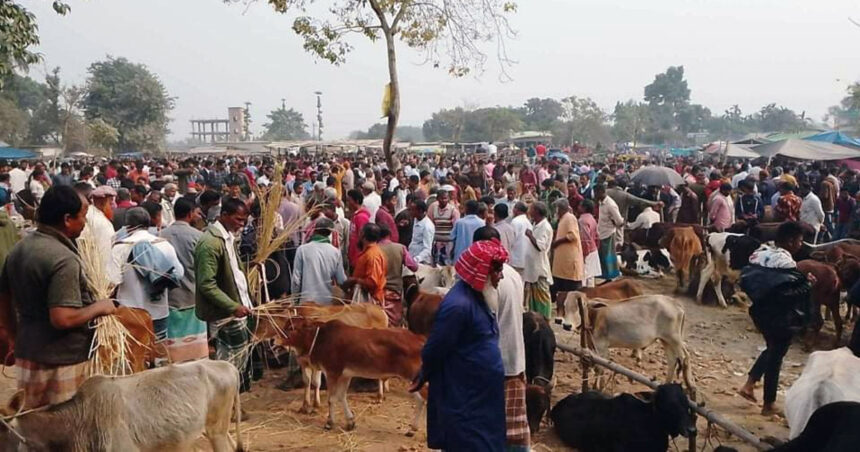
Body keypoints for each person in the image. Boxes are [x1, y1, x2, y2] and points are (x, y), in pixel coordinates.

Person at [0, 185, 116, 409]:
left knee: (34, 425)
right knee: (65, 432)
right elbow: (62, 318)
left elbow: (3, 299)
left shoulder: (20, 248)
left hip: (28, 355)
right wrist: (100, 307)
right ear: (67, 219)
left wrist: (15, 337)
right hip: (61, 361)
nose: (85, 223)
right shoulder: (63, 259)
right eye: (82, 216)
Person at [412, 239, 508, 451]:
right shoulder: (458, 306)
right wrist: (424, 373)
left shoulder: (478, 297)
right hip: (464, 399)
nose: (500, 275)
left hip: (480, 397)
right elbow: (435, 348)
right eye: (497, 269)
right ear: (481, 271)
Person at [738, 222, 814, 416]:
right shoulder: (787, 265)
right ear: (790, 241)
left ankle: (750, 383)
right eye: (799, 240)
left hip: (759, 312)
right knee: (776, 358)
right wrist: (808, 284)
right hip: (779, 316)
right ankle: (768, 404)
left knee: (773, 348)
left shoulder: (760, 253)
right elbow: (787, 295)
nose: (801, 244)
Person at [194, 198, 255, 392]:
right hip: (226, 313)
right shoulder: (210, 243)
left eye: (244, 220)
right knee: (228, 364)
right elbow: (207, 284)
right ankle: (224, 405)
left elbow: (233, 271)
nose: (241, 224)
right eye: (238, 219)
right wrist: (232, 306)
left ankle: (232, 402)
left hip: (238, 308)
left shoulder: (227, 237)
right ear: (224, 215)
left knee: (238, 360)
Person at [109, 207, 184, 352]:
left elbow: (112, 281)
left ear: (127, 225)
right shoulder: (164, 244)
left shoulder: (120, 247)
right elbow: (179, 273)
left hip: (131, 314)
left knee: (134, 358)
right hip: (159, 312)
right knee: (157, 356)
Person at [159, 198, 208, 362]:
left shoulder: (160, 236)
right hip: (193, 297)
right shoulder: (199, 237)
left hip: (169, 299)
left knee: (173, 348)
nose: (198, 215)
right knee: (196, 353)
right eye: (196, 212)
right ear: (189, 214)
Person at [291, 217, 348, 304]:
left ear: (315, 230)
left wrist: (294, 301)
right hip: (326, 304)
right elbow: (341, 280)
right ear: (329, 233)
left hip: (306, 304)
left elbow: (296, 281)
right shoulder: (335, 252)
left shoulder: (302, 250)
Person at [379, 225, 419, 326]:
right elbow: (414, 267)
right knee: (395, 324)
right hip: (395, 292)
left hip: (377, 292)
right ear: (390, 235)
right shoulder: (400, 248)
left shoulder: (374, 249)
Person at [551, 198, 584, 317]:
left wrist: (557, 242)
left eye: (556, 208)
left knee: (572, 290)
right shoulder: (562, 219)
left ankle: (572, 314)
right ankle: (560, 312)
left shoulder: (570, 218)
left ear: (560, 208)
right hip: (562, 261)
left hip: (570, 260)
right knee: (561, 288)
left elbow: (572, 236)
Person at [523, 201, 553, 318]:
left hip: (540, 267)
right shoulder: (536, 224)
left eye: (532, 209)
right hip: (533, 268)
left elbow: (541, 246)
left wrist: (530, 236)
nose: (529, 211)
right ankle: (536, 318)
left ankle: (545, 318)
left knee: (542, 296)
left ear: (536, 212)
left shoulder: (545, 227)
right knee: (533, 297)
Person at [344, 223, 387, 304]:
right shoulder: (370, 252)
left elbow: (372, 283)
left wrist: (354, 280)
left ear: (363, 235)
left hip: (369, 302)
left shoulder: (373, 255)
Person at [80, 185, 117, 275]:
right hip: (97, 273)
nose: (113, 205)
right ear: (102, 201)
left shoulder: (93, 215)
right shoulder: (98, 220)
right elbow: (104, 253)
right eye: (110, 201)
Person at [595, 184, 623, 281]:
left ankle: (611, 275)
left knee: (608, 255)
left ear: (601, 192)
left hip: (608, 232)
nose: (595, 195)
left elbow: (619, 221)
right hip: (601, 232)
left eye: (596, 193)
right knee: (602, 254)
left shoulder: (610, 204)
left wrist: (613, 222)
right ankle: (604, 273)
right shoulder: (600, 203)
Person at [427, 189, 459, 266]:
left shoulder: (453, 210)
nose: (444, 200)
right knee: (436, 264)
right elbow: (429, 224)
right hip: (436, 242)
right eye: (442, 198)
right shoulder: (433, 208)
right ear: (437, 199)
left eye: (446, 198)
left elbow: (456, 227)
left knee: (447, 264)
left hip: (448, 243)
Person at [578, 199, 601, 288]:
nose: (578, 207)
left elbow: (585, 239)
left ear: (584, 208)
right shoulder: (592, 218)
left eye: (580, 205)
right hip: (593, 249)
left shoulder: (582, 220)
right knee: (591, 277)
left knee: (583, 276)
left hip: (586, 251)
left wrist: (584, 254)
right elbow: (597, 236)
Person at [347, 189, 372, 269]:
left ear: (356, 201)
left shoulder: (361, 217)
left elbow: (364, 239)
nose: (347, 203)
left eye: (349, 200)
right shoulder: (355, 216)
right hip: (353, 257)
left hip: (358, 259)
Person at [408, 199, 435, 265]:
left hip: (421, 261)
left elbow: (427, 249)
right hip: (412, 255)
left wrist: (416, 259)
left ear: (420, 211)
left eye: (412, 210)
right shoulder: (415, 220)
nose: (410, 212)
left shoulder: (427, 226)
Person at [509, 202, 532, 275]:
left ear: (516, 210)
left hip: (515, 259)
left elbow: (511, 240)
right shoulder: (529, 222)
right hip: (525, 259)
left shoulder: (515, 221)